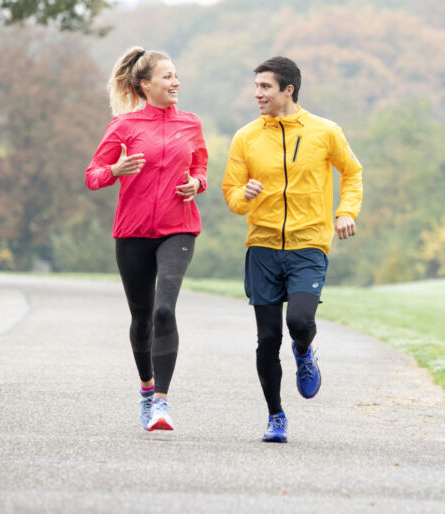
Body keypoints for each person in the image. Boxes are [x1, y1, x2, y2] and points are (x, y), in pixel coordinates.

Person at [222, 56, 363, 443]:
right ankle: (276, 416)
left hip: (308, 245)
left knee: (299, 323)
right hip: (263, 247)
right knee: (267, 340)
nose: (257, 94)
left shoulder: (325, 132)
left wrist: (345, 212)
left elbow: (352, 172)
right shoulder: (246, 137)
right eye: (256, 87)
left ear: (289, 90)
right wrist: (244, 195)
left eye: (265, 87)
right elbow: (231, 195)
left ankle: (305, 351)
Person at [85, 47, 208, 432]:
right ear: (145, 85)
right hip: (132, 231)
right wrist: (115, 169)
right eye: (168, 76)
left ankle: (161, 404)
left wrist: (197, 183)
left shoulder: (191, 123)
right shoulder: (123, 126)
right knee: (141, 317)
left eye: (176, 76)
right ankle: (146, 389)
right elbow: (93, 175)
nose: (176, 82)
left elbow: (201, 166)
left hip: (179, 227)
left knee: (163, 311)